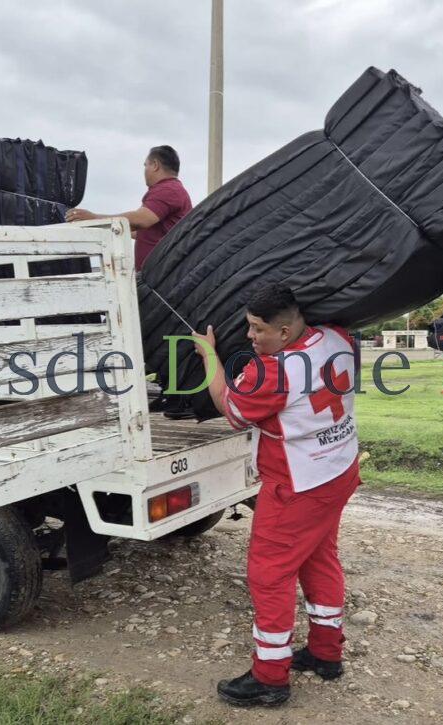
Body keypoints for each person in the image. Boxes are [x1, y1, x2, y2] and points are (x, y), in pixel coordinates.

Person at [192, 282, 360, 707]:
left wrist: (210, 356)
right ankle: (326, 652)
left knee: (269, 574)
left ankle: (269, 677)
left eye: (256, 329)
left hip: (297, 487)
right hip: (338, 471)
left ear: (284, 333)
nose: (249, 337)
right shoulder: (339, 338)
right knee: (319, 557)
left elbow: (228, 408)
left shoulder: (272, 372)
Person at [65, 145, 192, 269]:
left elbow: (141, 219)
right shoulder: (171, 189)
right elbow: (142, 232)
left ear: (155, 165)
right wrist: (107, 227)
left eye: (145, 165)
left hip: (160, 276)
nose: (145, 170)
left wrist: (94, 218)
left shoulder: (168, 190)